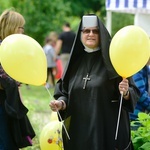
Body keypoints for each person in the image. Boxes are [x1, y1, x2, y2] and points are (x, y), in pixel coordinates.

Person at [49, 14, 139, 150]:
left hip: (106, 131)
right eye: (86, 31)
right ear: (81, 34)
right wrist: (61, 103)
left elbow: (132, 93)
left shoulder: (114, 60)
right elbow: (65, 92)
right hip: (79, 132)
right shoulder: (74, 62)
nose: (91, 34)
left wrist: (125, 92)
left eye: (95, 31)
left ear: (101, 33)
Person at [0, 9, 35, 150]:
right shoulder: (3, 49)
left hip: (9, 103)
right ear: (12, 27)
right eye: (21, 27)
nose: (23, 32)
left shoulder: (12, 49)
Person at [130, 59, 150, 123]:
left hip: (142, 116)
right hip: (134, 116)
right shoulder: (137, 68)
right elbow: (139, 93)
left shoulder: (146, 68)